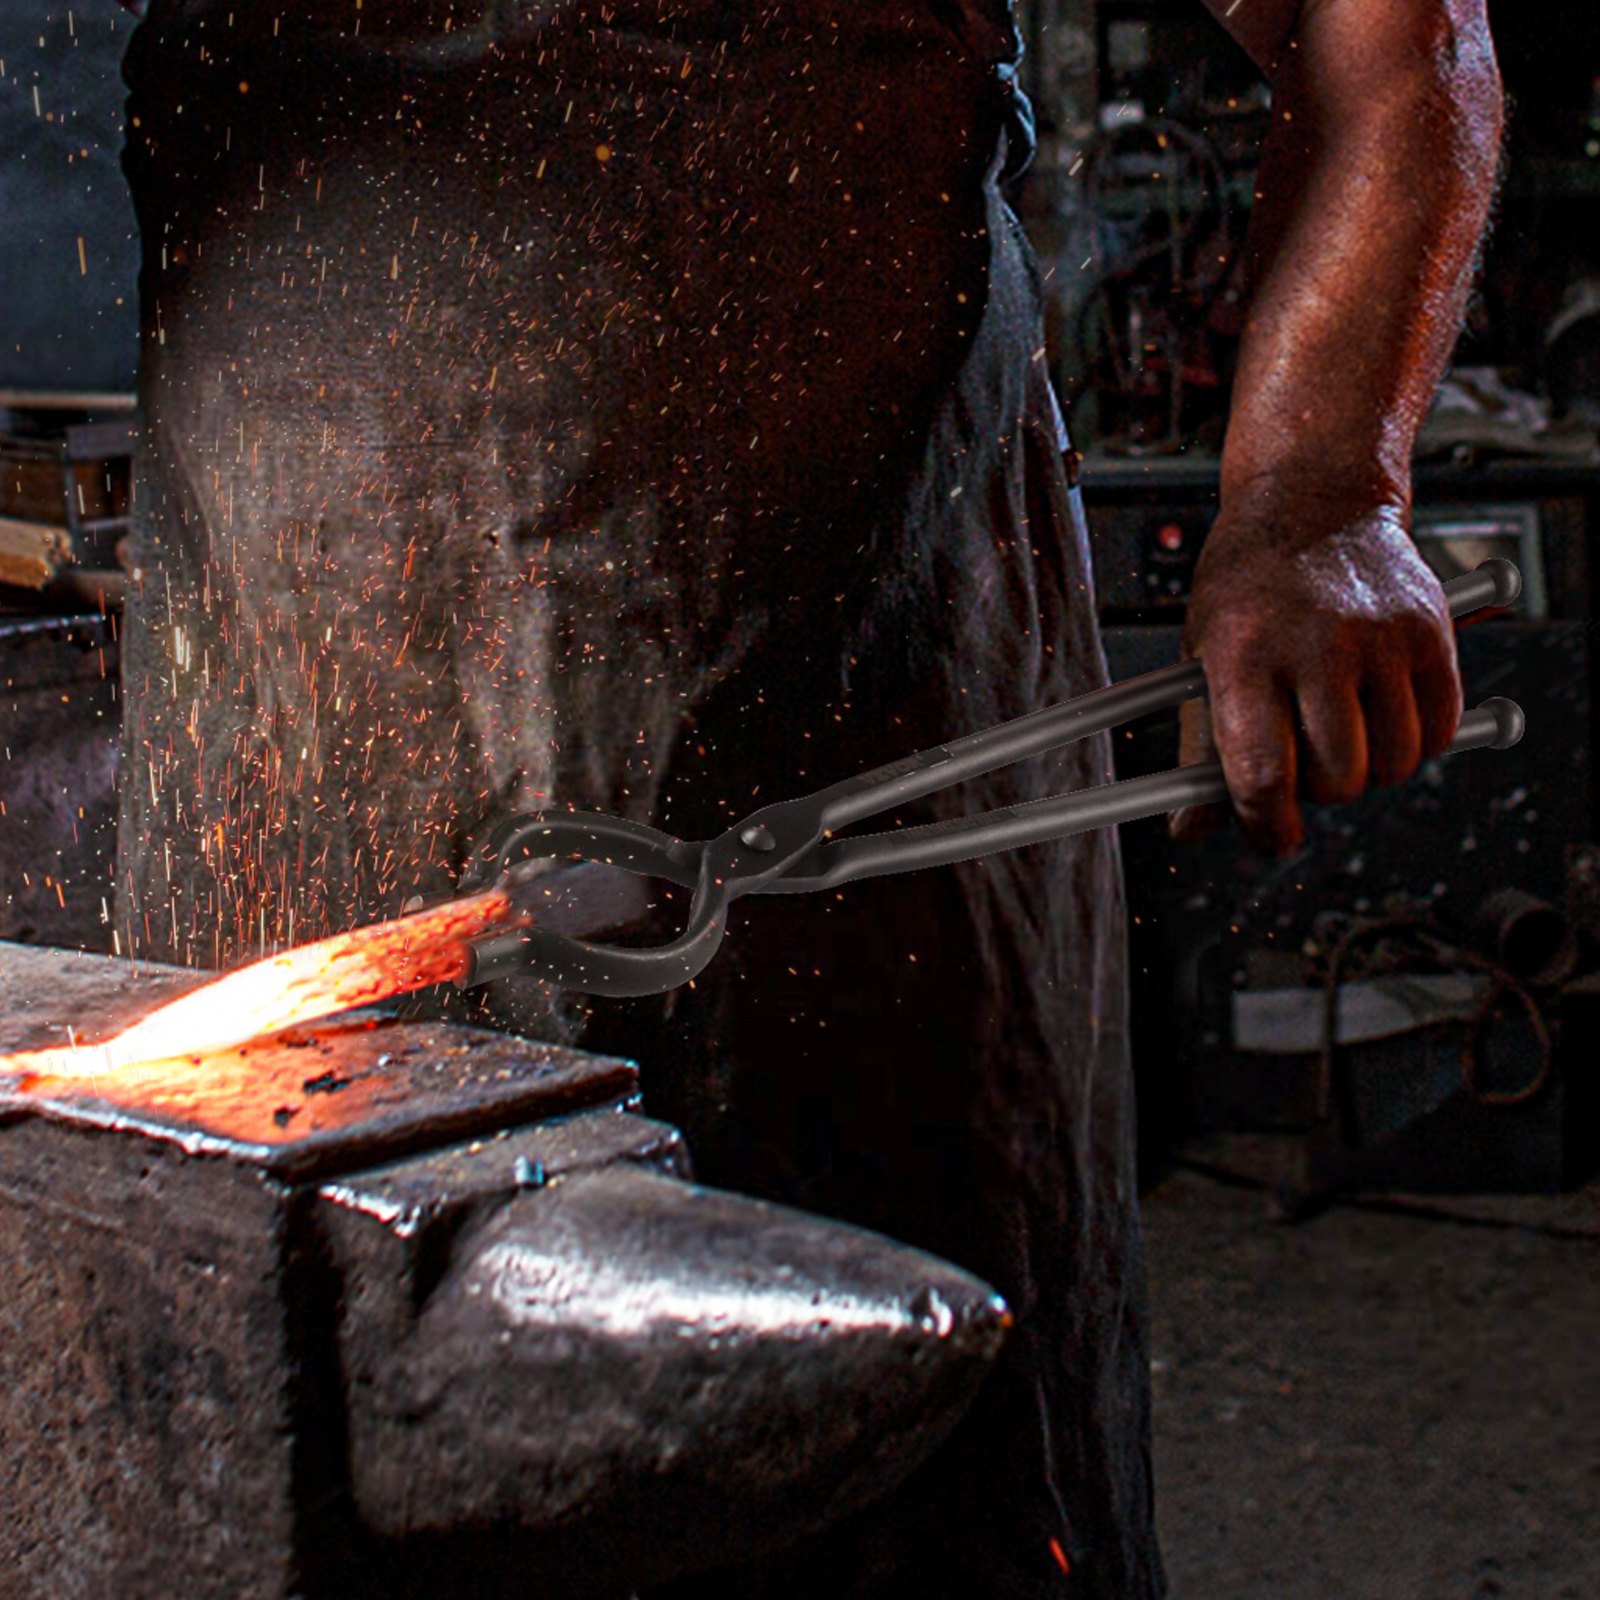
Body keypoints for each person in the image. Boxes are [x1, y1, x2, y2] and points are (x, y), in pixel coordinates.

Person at [110, 1, 1501, 1595]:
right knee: (296, 1405)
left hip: (854, 698)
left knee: (901, 1475)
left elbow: (1381, 35)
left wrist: (1318, 488)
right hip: (292, 677)